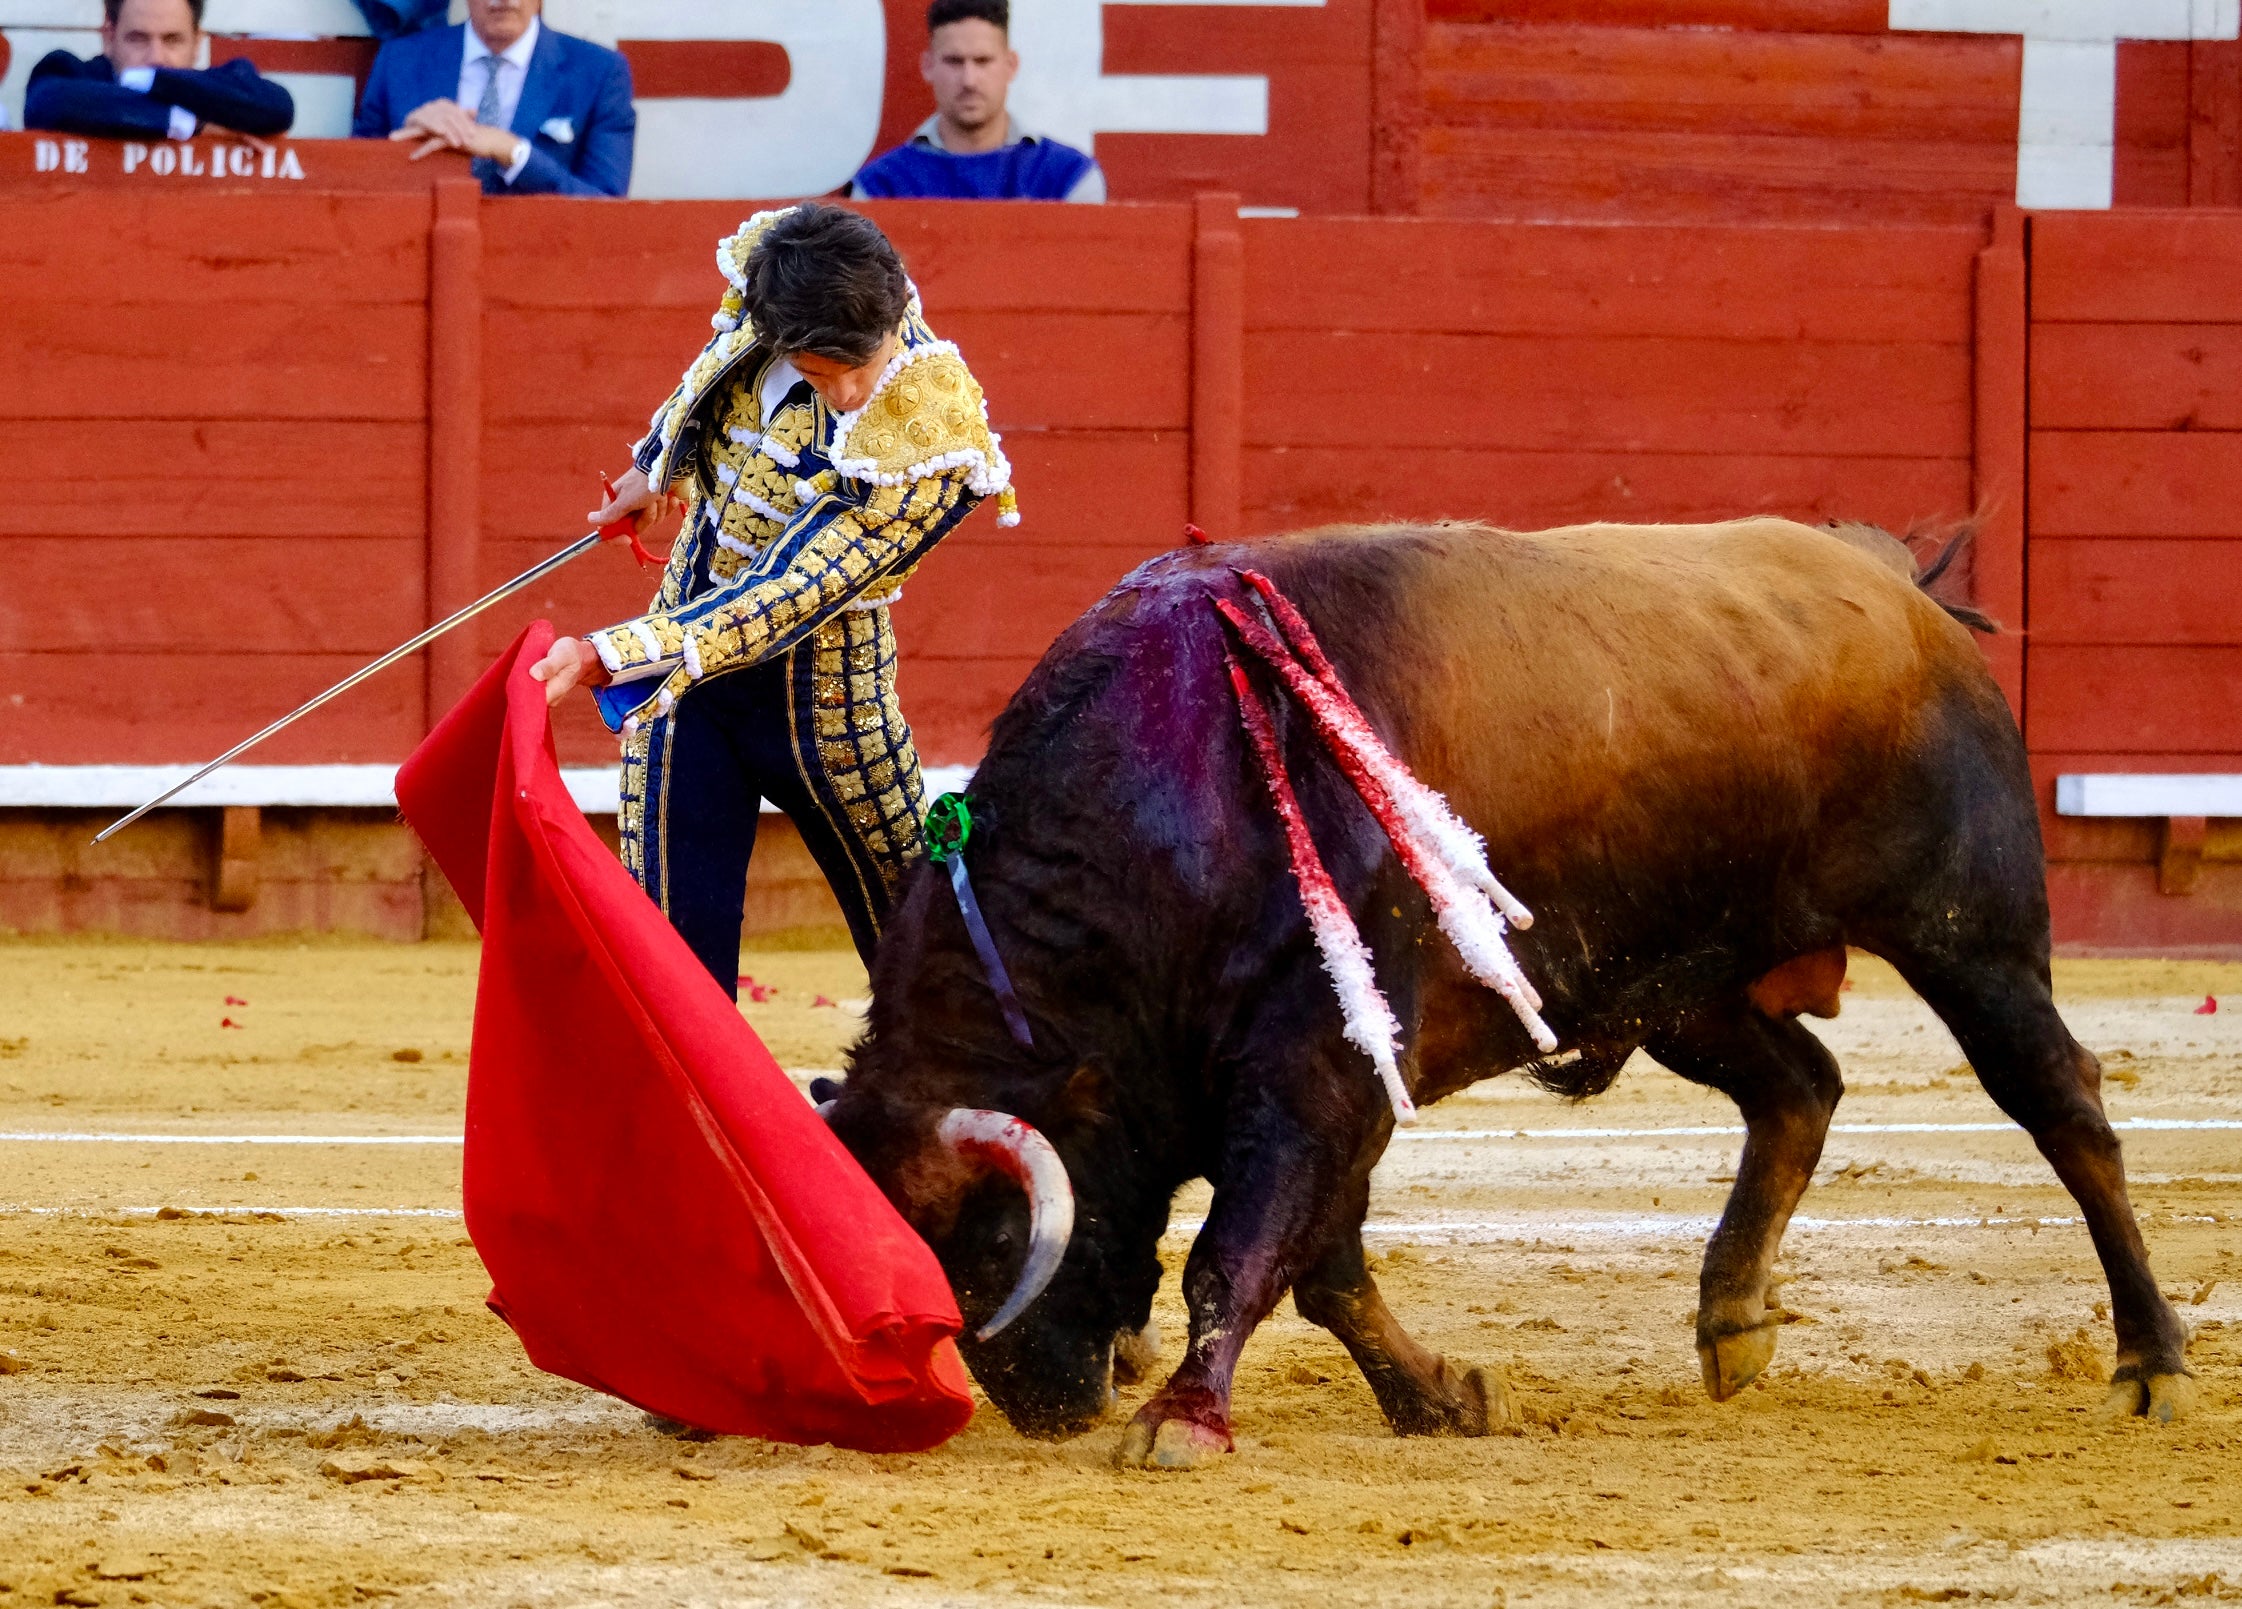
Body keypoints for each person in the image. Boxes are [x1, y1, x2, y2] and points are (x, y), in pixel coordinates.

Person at [531, 204, 1020, 985]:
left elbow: (794, 590)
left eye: (867, 361)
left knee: (923, 953)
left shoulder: (933, 426)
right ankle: (683, 1111)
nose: (857, 391)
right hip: (687, 693)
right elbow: (711, 377)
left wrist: (612, 653)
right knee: (668, 955)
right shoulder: (773, 291)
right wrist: (663, 469)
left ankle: (955, 1104)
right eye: (829, 373)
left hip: (826, 704)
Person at [351, 0, 634, 199]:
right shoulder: (400, 60)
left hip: (543, 268)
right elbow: (353, 181)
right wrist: (400, 144)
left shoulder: (599, 72)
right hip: (418, 260)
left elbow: (607, 208)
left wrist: (513, 152)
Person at [851, 0, 1104, 203]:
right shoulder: (880, 187)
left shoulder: (1068, 177)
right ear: (927, 66)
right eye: (954, 61)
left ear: (1011, 65)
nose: (969, 80)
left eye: (982, 61)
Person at [25, 0, 292, 143]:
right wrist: (191, 124)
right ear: (108, 37)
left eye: (172, 40)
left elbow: (279, 108)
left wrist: (154, 84)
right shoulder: (72, 75)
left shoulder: (225, 85)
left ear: (198, 42)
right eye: (138, 38)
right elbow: (47, 102)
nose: (156, 58)